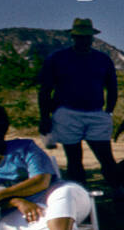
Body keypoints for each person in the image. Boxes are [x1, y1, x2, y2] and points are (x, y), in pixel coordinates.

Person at [38, 18, 119, 184]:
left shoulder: (103, 59)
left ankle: (118, 192)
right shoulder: (57, 58)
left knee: (106, 157)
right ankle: (79, 196)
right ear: (73, 37)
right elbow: (45, 90)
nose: (83, 40)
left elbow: (112, 88)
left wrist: (108, 112)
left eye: (86, 37)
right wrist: (45, 117)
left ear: (92, 38)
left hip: (96, 113)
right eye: (79, 37)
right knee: (74, 159)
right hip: (67, 113)